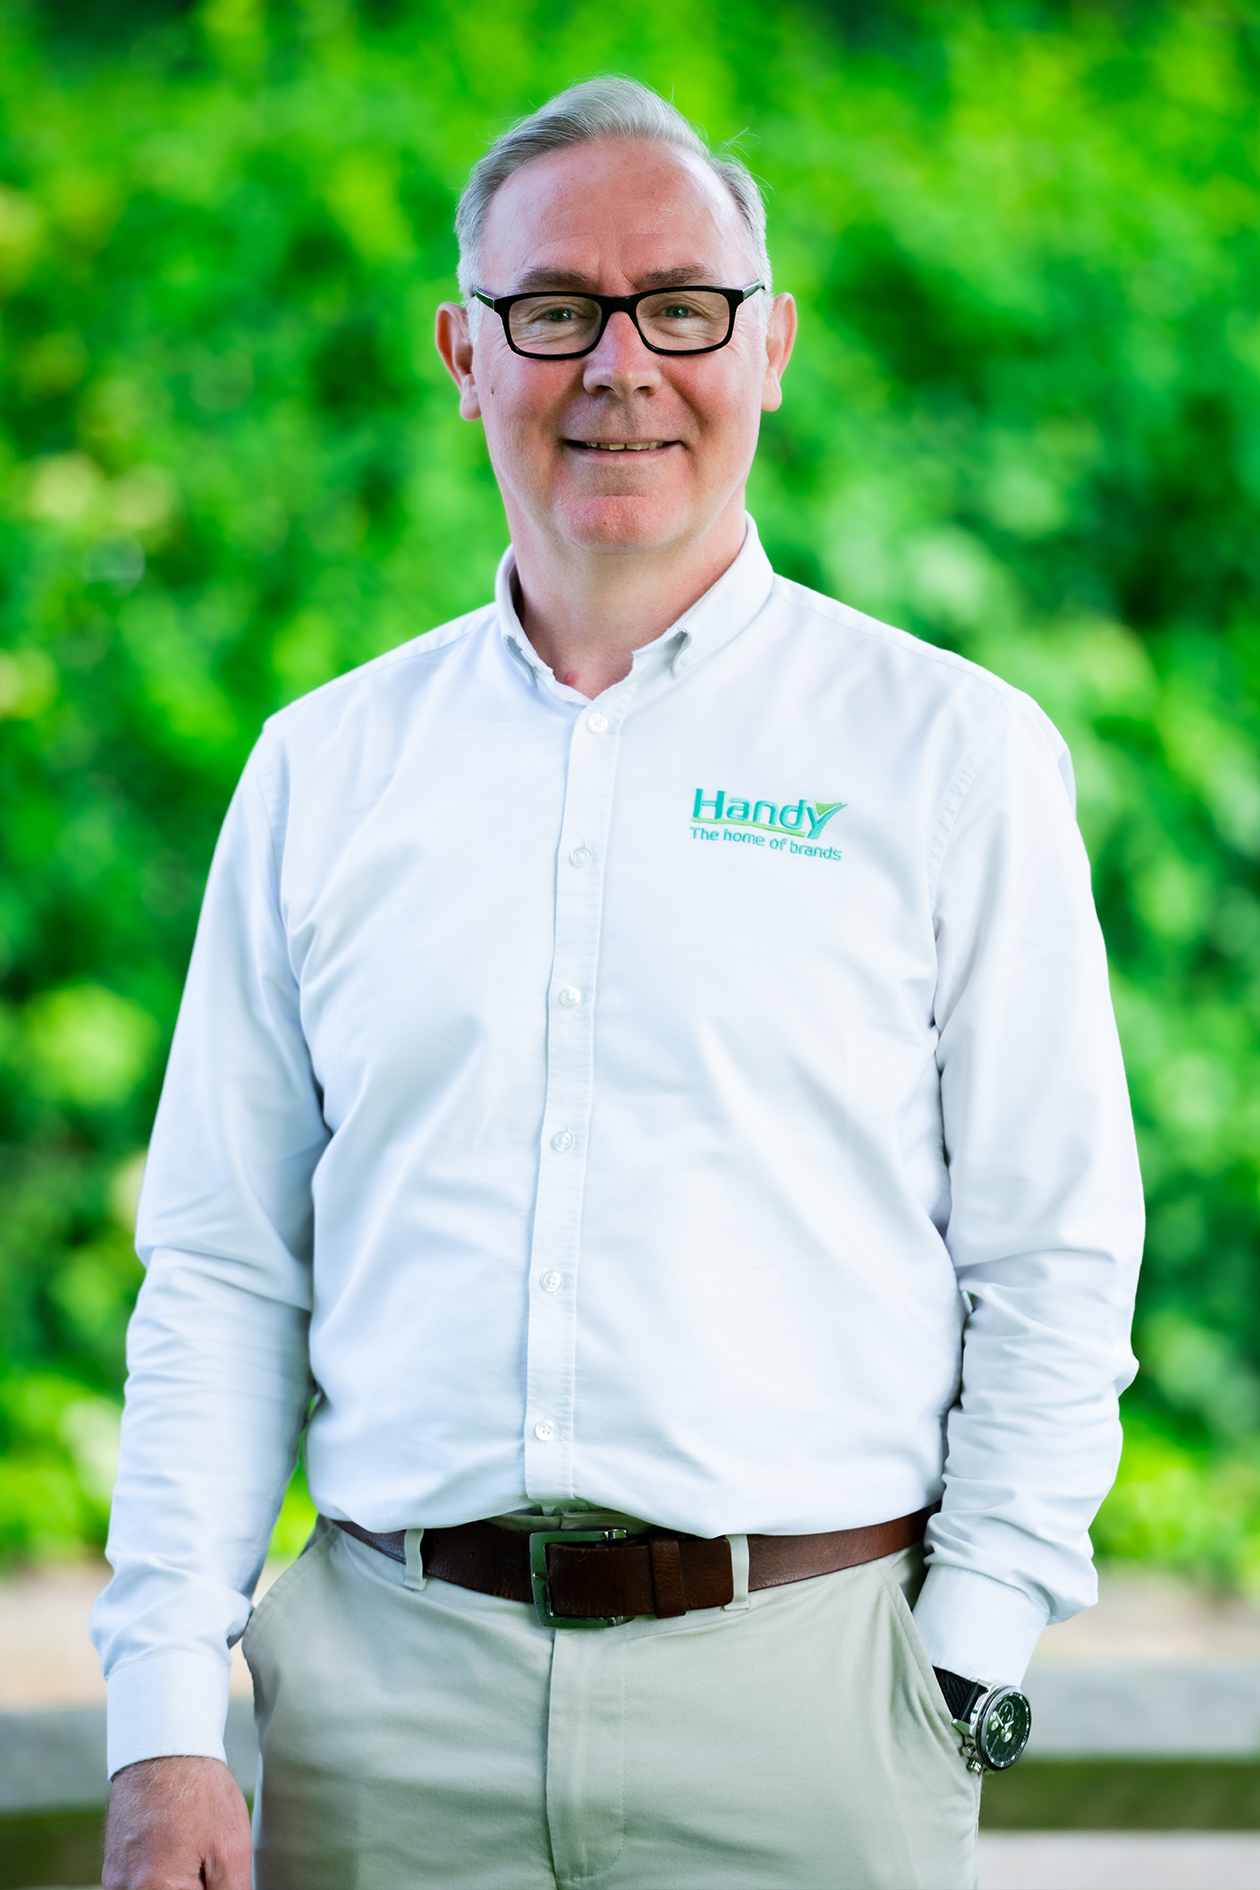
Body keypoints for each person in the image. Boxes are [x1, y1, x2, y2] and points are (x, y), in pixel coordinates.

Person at [95, 76, 1143, 1890]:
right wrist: (165, 1723)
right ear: (464, 352)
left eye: (681, 307)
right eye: (555, 309)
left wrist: (962, 1668)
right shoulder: (324, 768)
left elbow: (1053, 1257)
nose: (620, 365)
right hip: (385, 1732)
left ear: (771, 346)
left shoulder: (951, 757)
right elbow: (221, 1273)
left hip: (811, 1716)